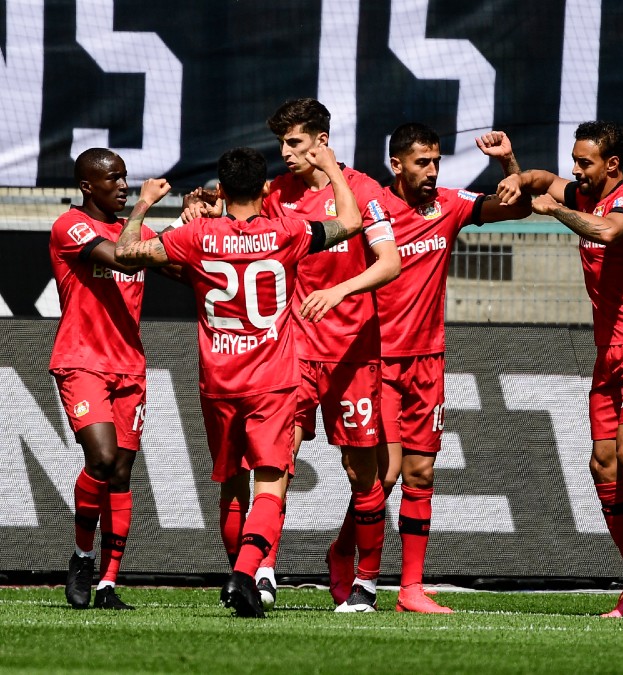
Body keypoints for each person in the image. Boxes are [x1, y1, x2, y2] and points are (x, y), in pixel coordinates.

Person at [112, 145, 363, 618]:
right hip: (273, 378)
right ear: (266, 189)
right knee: (272, 483)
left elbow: (126, 253)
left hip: (219, 380)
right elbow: (350, 222)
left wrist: (143, 204)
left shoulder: (195, 236)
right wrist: (330, 168)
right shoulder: (287, 231)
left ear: (222, 190)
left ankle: (240, 576)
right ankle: (246, 574)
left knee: (232, 486)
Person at [335, 123, 529, 614]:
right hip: (376, 361)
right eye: (422, 162)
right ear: (396, 164)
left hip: (428, 361)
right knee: (386, 475)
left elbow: (519, 206)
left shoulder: (448, 204)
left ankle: (411, 589)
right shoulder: (372, 210)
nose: (432, 171)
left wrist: (509, 166)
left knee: (421, 473)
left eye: (437, 162)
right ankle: (345, 554)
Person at [495, 121, 623, 618]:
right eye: (574, 161)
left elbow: (606, 230)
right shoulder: (584, 193)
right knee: (602, 463)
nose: (576, 170)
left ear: (613, 164)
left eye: (585, 162)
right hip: (612, 352)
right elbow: (538, 178)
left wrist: (556, 209)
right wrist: (511, 169)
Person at [251, 98, 399, 613]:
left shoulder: (365, 190)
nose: (286, 153)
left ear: (321, 140)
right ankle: (263, 570)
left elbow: (389, 263)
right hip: (293, 351)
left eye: (294, 143)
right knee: (277, 460)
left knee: (363, 474)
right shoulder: (277, 195)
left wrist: (341, 291)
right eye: (281, 144)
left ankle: (365, 582)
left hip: (353, 354)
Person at [50, 149, 160, 610]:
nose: (122, 185)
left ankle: (109, 584)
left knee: (120, 473)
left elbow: (178, 264)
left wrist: (200, 224)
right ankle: (82, 557)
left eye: (125, 178)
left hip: (129, 365)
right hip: (83, 361)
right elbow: (124, 259)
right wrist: (144, 206)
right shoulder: (70, 226)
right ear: (87, 186)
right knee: (101, 458)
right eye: (112, 179)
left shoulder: (140, 232)